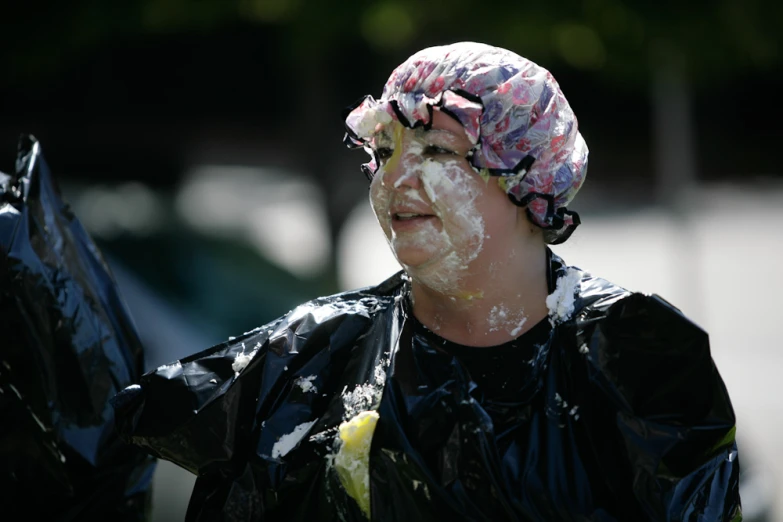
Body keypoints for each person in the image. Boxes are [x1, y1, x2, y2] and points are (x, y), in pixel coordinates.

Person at [112, 42, 741, 521]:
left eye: (437, 151)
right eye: (384, 151)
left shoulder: (634, 357)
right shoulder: (313, 360)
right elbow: (104, 422)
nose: (394, 181)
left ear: (526, 179)